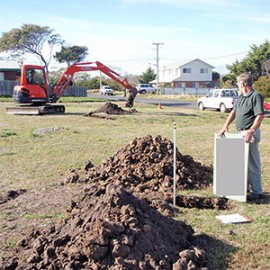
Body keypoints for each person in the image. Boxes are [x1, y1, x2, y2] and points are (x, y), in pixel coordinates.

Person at [218, 72, 265, 201]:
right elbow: (233, 112)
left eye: (238, 83)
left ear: (243, 84)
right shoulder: (240, 98)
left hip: (250, 133)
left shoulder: (255, 96)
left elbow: (260, 115)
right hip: (239, 133)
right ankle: (240, 189)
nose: (237, 85)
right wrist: (225, 125)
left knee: (251, 163)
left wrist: (251, 130)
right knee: (239, 163)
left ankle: (257, 191)